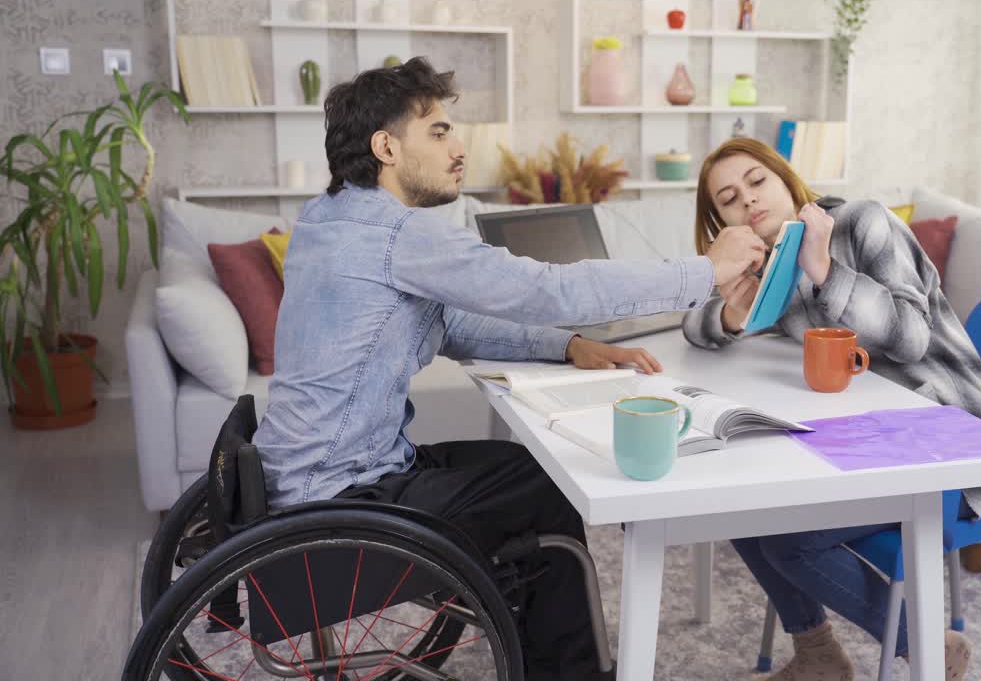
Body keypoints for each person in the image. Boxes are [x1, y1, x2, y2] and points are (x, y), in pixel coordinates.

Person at [251, 57, 767, 681]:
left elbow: (447, 322)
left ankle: (539, 650)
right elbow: (545, 288)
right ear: (386, 146)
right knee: (551, 487)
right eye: (438, 132)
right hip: (340, 500)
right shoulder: (397, 234)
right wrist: (702, 272)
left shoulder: (329, 217)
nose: (459, 147)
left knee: (531, 470)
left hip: (310, 476)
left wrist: (567, 346)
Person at [682, 138, 981, 681]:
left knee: (791, 540)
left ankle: (925, 645)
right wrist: (732, 314)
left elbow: (911, 338)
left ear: (786, 179)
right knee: (738, 507)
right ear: (721, 221)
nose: (749, 201)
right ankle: (819, 656)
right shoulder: (771, 263)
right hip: (865, 436)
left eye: (758, 182)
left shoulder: (863, 222)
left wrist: (827, 270)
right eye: (729, 198)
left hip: (947, 439)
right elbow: (695, 325)